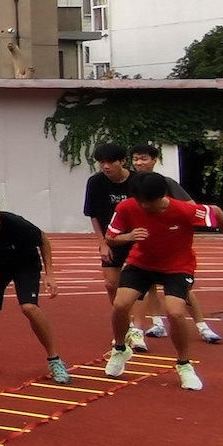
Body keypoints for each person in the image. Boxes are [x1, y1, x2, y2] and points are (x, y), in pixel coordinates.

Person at [103, 173, 223, 390]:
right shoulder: (126, 207)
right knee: (120, 304)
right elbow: (111, 238)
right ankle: (120, 349)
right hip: (141, 263)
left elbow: (216, 211)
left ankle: (184, 364)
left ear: (162, 196)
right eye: (140, 201)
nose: (145, 206)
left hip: (177, 266)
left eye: (150, 202)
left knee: (174, 312)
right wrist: (129, 237)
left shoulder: (183, 210)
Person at [0, 188, 71, 384]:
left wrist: (50, 274)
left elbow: (43, 240)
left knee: (29, 307)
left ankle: (54, 359)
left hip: (25, 266)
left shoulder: (15, 223)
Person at [129, 143, 222, 343]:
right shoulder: (130, 183)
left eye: (144, 158)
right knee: (146, 287)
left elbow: (191, 207)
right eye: (135, 159)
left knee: (181, 290)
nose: (139, 163)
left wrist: (169, 217)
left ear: (154, 160)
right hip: (142, 240)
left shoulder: (165, 183)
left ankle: (201, 325)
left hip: (170, 243)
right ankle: (156, 323)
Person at [83, 143, 149, 352]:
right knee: (111, 284)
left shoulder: (137, 181)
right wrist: (102, 243)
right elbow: (93, 214)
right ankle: (124, 326)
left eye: (110, 162)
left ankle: (137, 330)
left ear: (123, 162)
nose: (105, 166)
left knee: (137, 286)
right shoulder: (95, 182)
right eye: (101, 163)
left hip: (136, 239)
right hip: (111, 239)